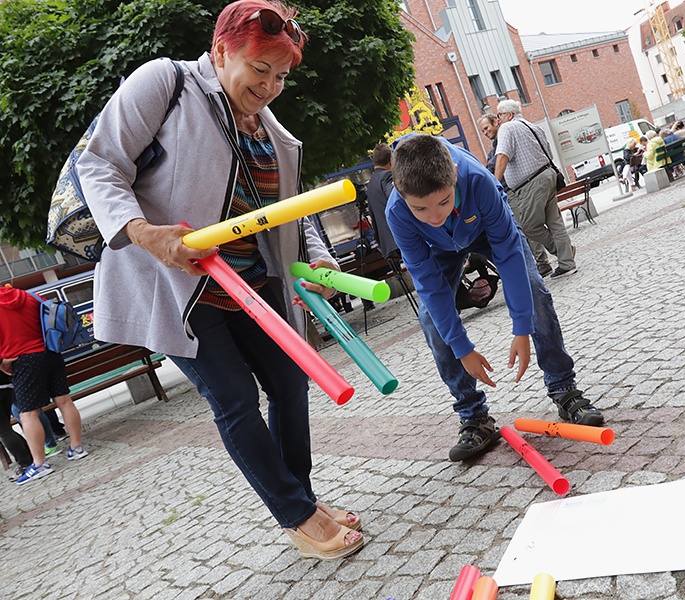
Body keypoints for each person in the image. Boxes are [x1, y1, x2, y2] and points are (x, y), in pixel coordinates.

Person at [77, 0, 363, 560]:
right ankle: (297, 516)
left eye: (281, 76)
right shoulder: (168, 82)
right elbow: (99, 163)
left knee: (290, 384)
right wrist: (145, 232)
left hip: (254, 283)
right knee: (233, 397)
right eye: (261, 70)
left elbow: (287, 209)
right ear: (222, 50)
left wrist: (316, 256)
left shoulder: (271, 129)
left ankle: (300, 496)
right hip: (180, 281)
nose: (272, 86)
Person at [385, 134, 606, 462]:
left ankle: (564, 388)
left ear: (454, 178)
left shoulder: (478, 181)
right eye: (421, 208)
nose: (434, 216)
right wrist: (462, 349)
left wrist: (521, 327)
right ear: (402, 197)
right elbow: (429, 285)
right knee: (432, 319)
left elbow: (510, 255)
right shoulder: (397, 213)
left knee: (535, 291)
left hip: (486, 230)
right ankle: (473, 416)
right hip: (439, 250)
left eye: (444, 202)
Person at [0, 286, 87, 485]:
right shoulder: (28, 296)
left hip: (23, 361)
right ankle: (77, 447)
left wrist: (2, 363)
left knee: (27, 414)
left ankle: (39, 464)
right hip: (50, 353)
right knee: (64, 401)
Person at [494, 99, 576, 279]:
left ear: (509, 115)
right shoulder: (533, 126)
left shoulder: (507, 128)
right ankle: (567, 262)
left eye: (499, 115)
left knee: (528, 226)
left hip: (531, 183)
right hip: (548, 176)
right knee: (555, 222)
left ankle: (566, 253)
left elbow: (502, 156)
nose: (497, 119)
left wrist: (494, 182)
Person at [366, 143, 399, 259]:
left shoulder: (371, 183)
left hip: (388, 243)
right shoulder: (387, 176)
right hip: (400, 236)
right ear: (391, 160)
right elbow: (395, 201)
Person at [0, 372, 32, 481]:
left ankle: (26, 464)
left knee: (4, 431)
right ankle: (30, 457)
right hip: (6, 384)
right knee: (6, 429)